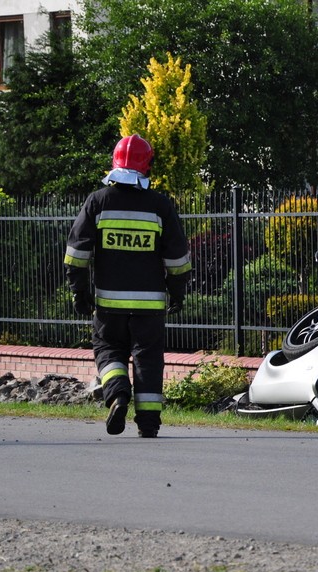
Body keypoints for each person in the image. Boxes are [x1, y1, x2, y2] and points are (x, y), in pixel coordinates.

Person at [64, 135, 192, 438]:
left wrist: (78, 290)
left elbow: (77, 253)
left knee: (109, 349)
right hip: (149, 305)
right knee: (148, 357)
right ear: (146, 166)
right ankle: (148, 423)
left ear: (115, 163)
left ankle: (119, 394)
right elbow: (177, 258)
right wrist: (178, 292)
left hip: (109, 304)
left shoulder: (98, 201)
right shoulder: (160, 205)